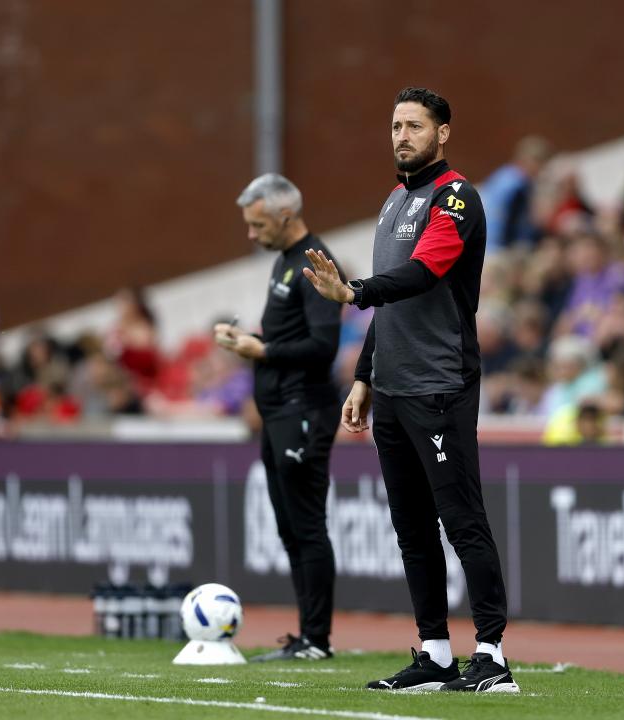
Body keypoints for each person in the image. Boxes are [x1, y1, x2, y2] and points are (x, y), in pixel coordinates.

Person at [303, 87, 518, 693]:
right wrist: (365, 375)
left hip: (439, 382)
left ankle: (493, 655)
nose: (402, 135)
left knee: (462, 519)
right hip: (393, 388)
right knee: (411, 527)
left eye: (415, 126)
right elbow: (392, 309)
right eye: (396, 125)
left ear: (443, 133)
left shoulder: (457, 198)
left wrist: (354, 291)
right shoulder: (394, 198)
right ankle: (434, 653)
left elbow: (424, 272)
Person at [215, 173, 343, 662]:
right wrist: (247, 338)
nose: (251, 234)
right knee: (292, 528)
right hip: (278, 415)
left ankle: (317, 640)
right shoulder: (285, 262)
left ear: (286, 214)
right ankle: (308, 636)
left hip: (304, 411)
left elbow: (324, 345)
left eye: (257, 223)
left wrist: (261, 349)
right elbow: (293, 337)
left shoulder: (314, 263)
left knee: (307, 526)